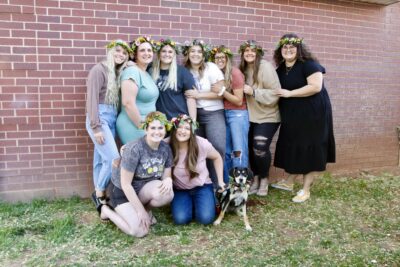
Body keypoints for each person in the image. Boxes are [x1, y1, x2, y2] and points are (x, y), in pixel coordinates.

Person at [272, 33, 336, 203]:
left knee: (310, 147)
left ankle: (306, 190)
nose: (288, 50)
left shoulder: (309, 65)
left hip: (313, 114)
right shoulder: (281, 69)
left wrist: (290, 93)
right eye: (285, 47)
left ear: (299, 49)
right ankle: (289, 182)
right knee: (295, 146)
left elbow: (316, 87)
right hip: (293, 115)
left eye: (292, 47)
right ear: (280, 50)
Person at [93, 111, 174, 237]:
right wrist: (140, 211)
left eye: (160, 128)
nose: (157, 132)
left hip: (142, 188)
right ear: (146, 129)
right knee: (139, 231)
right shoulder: (134, 149)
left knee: (167, 193)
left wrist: (168, 180)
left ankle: (145, 210)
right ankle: (105, 210)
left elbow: (166, 175)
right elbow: (126, 185)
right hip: (122, 192)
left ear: (165, 129)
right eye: (153, 128)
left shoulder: (165, 149)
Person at [86, 39, 131, 208]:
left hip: (111, 117)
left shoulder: (117, 73)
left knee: (100, 158)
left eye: (124, 53)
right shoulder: (99, 70)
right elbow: (91, 99)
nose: (120, 55)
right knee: (113, 157)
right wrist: (96, 126)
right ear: (110, 51)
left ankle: (99, 193)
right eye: (117, 51)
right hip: (100, 117)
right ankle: (99, 193)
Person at [239, 40, 281, 196]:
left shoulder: (265, 67)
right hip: (250, 116)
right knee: (250, 148)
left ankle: (264, 179)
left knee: (260, 148)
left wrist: (254, 92)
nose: (249, 53)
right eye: (246, 51)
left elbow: (276, 93)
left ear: (258, 53)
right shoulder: (243, 69)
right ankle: (256, 178)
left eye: (253, 51)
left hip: (268, 115)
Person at [166, 114, 225, 225]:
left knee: (206, 219)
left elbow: (217, 157)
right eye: (179, 127)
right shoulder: (166, 144)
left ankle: (203, 202)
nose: (183, 131)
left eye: (187, 128)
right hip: (180, 189)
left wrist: (220, 181)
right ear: (174, 129)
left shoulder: (201, 143)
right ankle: (189, 205)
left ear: (192, 131)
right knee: (180, 220)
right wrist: (128, 147)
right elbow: (149, 144)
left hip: (202, 186)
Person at [183, 39, 226, 188]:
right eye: (192, 51)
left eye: (199, 52)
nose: (196, 54)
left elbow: (220, 93)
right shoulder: (184, 70)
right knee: (199, 151)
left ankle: (220, 185)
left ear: (203, 54)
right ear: (187, 53)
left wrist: (198, 94)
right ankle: (204, 185)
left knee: (218, 148)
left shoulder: (211, 67)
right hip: (194, 114)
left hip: (213, 112)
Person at [210, 45, 249, 184]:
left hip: (237, 114)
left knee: (238, 149)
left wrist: (222, 91)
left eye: (222, 57)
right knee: (226, 150)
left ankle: (242, 183)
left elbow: (239, 101)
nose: (220, 60)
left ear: (228, 58)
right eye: (216, 58)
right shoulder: (216, 74)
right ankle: (228, 183)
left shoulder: (235, 73)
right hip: (223, 113)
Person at [116, 36, 159, 144]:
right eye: (142, 50)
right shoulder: (132, 71)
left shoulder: (146, 73)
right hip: (134, 124)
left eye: (149, 50)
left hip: (146, 124)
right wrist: (142, 127)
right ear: (135, 54)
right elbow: (127, 103)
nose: (147, 53)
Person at [151, 38, 197, 120]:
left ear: (174, 55)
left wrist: (192, 121)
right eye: (164, 51)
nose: (167, 54)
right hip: (159, 121)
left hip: (178, 120)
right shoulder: (150, 70)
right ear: (159, 53)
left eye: (170, 52)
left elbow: (190, 98)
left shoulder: (183, 72)